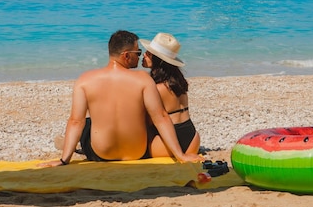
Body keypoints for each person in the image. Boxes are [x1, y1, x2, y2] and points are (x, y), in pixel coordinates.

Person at [42, 30, 203, 167]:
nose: (140, 57)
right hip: (136, 152)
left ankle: (68, 146)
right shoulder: (144, 80)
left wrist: (64, 161)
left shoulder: (85, 80)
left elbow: (76, 121)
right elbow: (161, 117)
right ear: (126, 56)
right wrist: (180, 155)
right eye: (138, 53)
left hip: (101, 154)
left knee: (88, 123)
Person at [140, 33, 201, 157]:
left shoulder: (156, 89)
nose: (143, 55)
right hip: (192, 138)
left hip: (166, 142)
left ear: (158, 60)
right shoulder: (179, 83)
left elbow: (152, 121)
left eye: (148, 54)